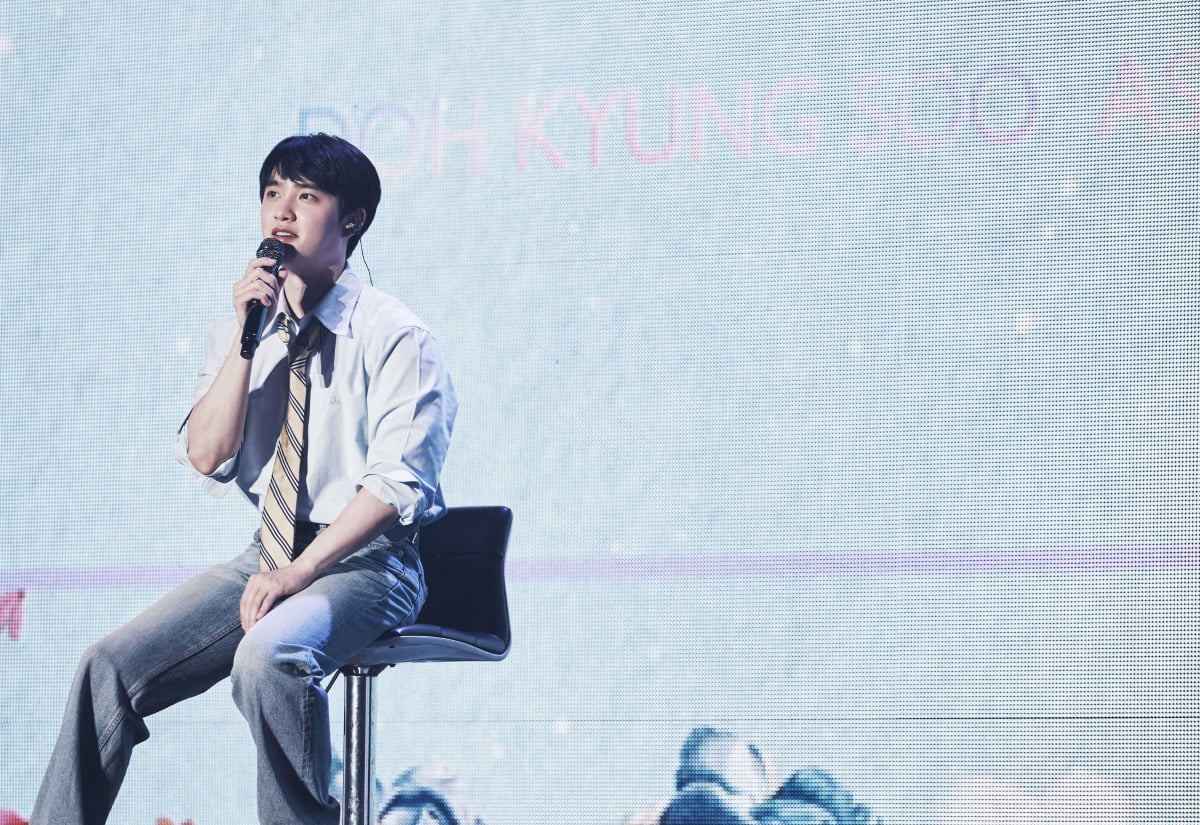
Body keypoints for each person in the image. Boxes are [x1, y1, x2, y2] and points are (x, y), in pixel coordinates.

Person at [30, 133, 457, 825]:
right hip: (269, 553)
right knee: (107, 667)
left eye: (306, 196)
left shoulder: (396, 336)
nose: (282, 212)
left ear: (352, 220)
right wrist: (245, 339)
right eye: (272, 193)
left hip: (370, 564)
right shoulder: (243, 333)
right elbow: (208, 454)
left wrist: (299, 573)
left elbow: (395, 485)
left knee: (267, 657)